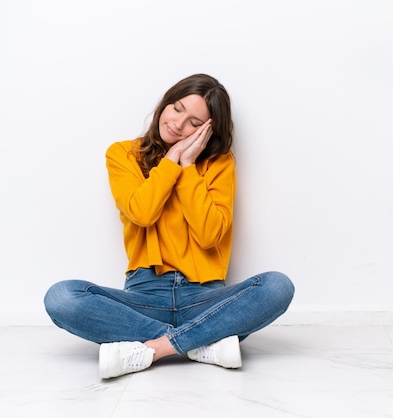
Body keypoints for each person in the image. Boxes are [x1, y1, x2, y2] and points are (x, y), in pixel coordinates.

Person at [44, 73, 294, 379]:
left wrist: (188, 167)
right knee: (61, 297)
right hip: (142, 297)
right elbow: (142, 212)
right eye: (176, 108)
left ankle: (156, 348)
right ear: (165, 103)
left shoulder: (218, 164)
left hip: (204, 296)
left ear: (208, 129)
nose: (178, 123)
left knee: (278, 286)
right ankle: (202, 342)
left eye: (193, 122)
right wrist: (171, 160)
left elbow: (209, 235)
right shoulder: (124, 154)